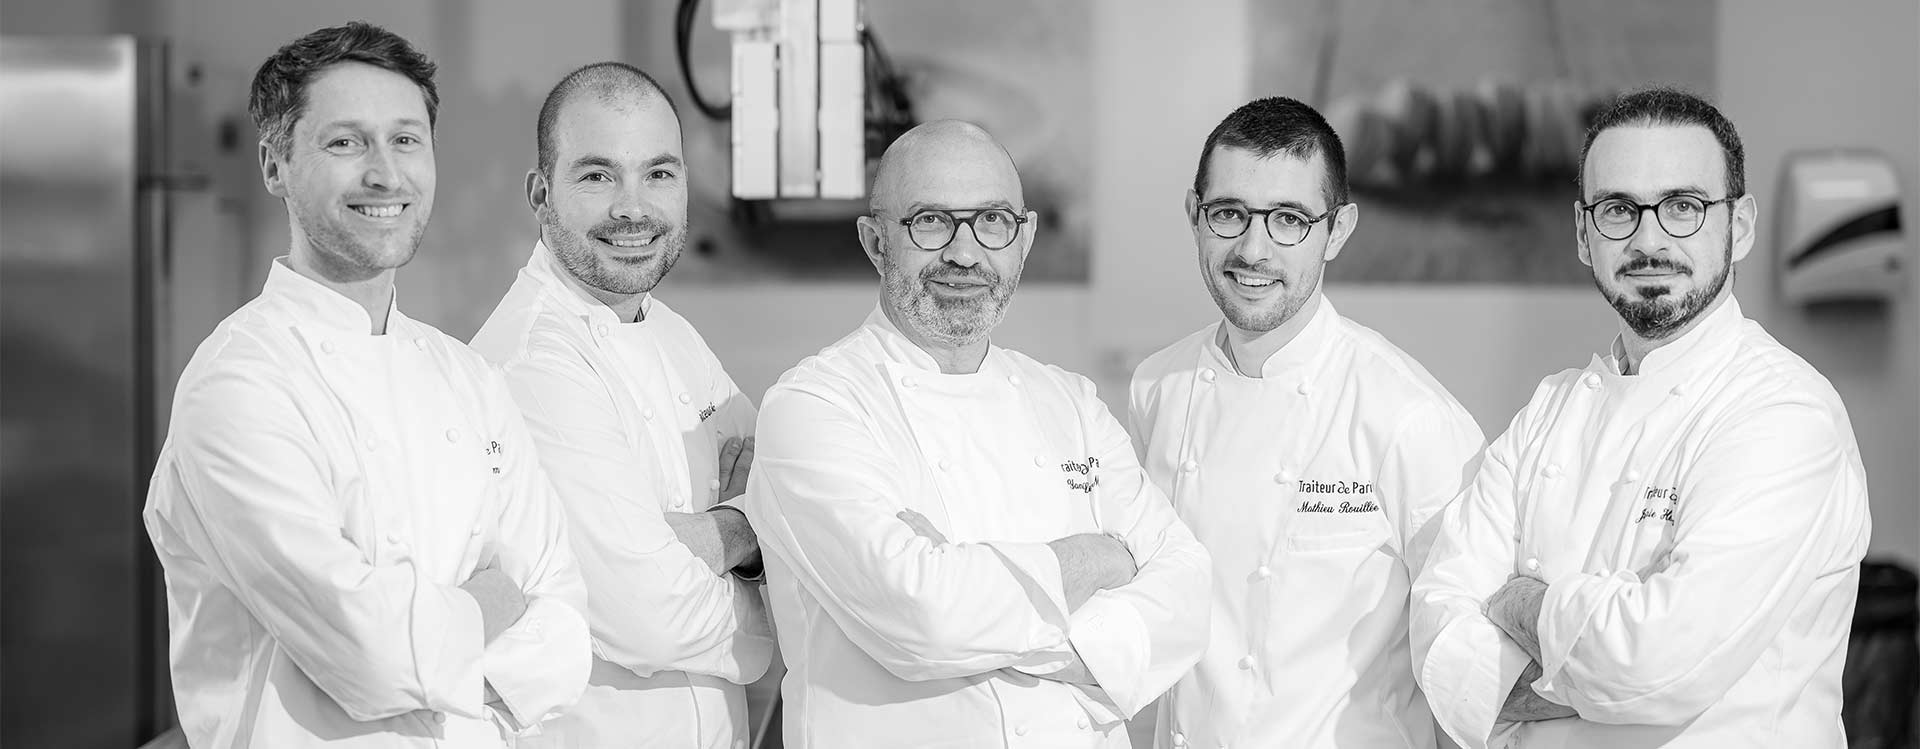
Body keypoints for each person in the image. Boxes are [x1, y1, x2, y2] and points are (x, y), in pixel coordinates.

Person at [142, 22, 590, 748]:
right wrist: (493, 605)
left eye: (406, 140)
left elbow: (566, 633)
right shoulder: (237, 385)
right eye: (346, 142)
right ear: (275, 165)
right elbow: (368, 656)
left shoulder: (467, 376)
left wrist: (429, 643)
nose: (386, 175)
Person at [1411, 88, 1872, 748]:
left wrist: (1522, 603)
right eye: (1619, 210)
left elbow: (1658, 665)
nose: (1649, 239)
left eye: (1683, 206)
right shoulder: (1549, 410)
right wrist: (1594, 666)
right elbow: (1438, 627)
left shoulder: (1785, 412)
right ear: (1583, 233)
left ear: (1740, 226)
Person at [745, 120, 1211, 748]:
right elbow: (926, 616)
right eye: (931, 221)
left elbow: (1187, 594)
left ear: (1025, 237)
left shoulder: (1072, 404)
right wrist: (1096, 563)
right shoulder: (813, 406)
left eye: (992, 221)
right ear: (876, 242)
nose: (964, 254)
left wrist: (978, 605)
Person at [1131, 96, 1485, 748]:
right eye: (1228, 213)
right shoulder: (1157, 388)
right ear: (1194, 215)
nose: (1253, 249)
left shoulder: (1411, 417)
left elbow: (1466, 665)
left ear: (1338, 229)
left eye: (1289, 219)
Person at [470, 62, 772, 748]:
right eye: (598, 176)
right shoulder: (531, 361)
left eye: (658, 173)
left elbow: (797, 509)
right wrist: (747, 535)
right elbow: (649, 617)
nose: (633, 208)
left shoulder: (670, 332)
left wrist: (712, 535)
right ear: (541, 194)